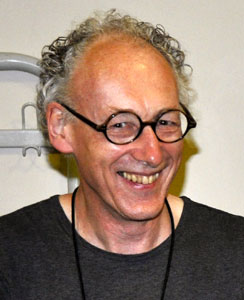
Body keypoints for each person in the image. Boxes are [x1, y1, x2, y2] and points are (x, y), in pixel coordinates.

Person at [0, 10, 243, 300]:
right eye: (121, 124)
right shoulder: (10, 257)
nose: (152, 155)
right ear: (61, 127)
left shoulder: (235, 254)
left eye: (165, 121)